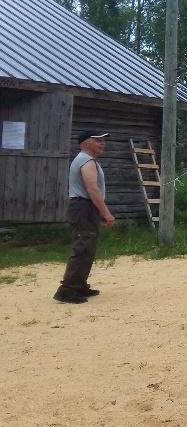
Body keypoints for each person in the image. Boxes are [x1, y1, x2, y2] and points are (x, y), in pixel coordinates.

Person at [53, 130, 116, 304]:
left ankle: (80, 285)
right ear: (86, 143)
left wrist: (99, 210)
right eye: (97, 140)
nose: (102, 143)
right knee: (82, 247)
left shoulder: (87, 160)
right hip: (83, 207)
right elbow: (92, 189)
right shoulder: (86, 160)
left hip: (86, 207)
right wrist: (105, 212)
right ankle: (66, 291)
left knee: (88, 247)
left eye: (103, 141)